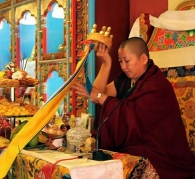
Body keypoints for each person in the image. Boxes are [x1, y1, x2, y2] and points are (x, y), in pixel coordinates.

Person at [73, 37, 195, 178]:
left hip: (163, 154)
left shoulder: (157, 85)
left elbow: (131, 116)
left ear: (143, 59)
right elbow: (99, 94)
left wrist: (99, 96)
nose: (124, 66)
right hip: (135, 145)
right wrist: (106, 64)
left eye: (127, 61)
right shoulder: (126, 79)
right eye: (120, 61)